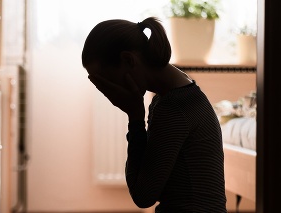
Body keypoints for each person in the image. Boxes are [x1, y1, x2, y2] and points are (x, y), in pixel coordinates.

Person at [81, 17, 227, 212]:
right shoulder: (177, 93)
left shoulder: (174, 107)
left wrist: (135, 117)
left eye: (107, 81)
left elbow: (143, 196)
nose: (108, 91)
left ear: (128, 60)